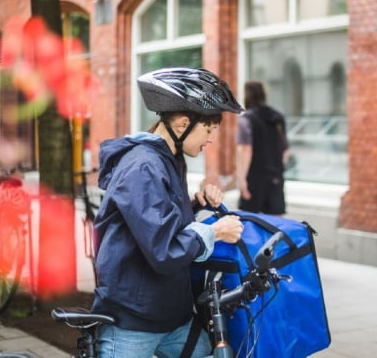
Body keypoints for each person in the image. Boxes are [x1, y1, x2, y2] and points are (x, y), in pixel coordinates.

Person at [91, 67, 245, 358]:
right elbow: (164, 250)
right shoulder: (143, 166)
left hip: (171, 316)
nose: (211, 139)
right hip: (132, 322)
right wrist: (214, 231)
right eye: (209, 129)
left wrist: (196, 204)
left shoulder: (168, 159)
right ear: (183, 124)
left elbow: (156, 220)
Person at [236, 80, 289, 214]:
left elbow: (245, 150)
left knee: (250, 221)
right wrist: (277, 170)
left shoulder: (247, 119)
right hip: (275, 177)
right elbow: (286, 150)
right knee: (274, 223)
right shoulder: (277, 116)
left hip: (254, 177)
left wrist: (242, 179)